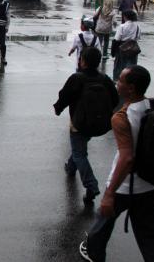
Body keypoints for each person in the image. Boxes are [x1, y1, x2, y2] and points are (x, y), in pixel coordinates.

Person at [79, 65, 154, 262]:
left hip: (125, 186)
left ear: (131, 88)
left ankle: (94, 254)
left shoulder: (121, 118)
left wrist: (110, 194)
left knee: (101, 227)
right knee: (148, 236)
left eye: (120, 80)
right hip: (152, 184)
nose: (117, 83)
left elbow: (127, 157)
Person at [54, 47, 119, 205]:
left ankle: (91, 185)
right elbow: (115, 99)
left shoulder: (77, 78)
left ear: (82, 61)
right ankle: (70, 167)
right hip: (100, 123)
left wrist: (58, 108)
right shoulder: (104, 79)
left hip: (80, 122)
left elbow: (64, 96)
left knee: (79, 153)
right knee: (79, 148)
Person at [112, 10, 141, 81]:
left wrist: (113, 51)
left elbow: (117, 39)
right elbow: (138, 37)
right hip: (133, 47)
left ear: (125, 17)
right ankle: (130, 80)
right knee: (132, 66)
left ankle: (118, 80)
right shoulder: (137, 27)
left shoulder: (122, 26)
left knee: (119, 65)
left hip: (122, 47)